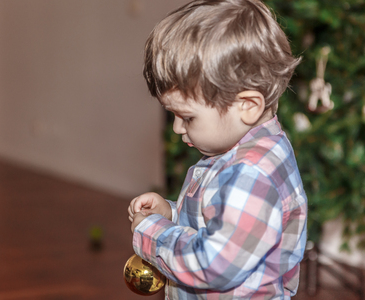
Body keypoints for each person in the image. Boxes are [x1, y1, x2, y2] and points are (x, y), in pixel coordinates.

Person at [128, 0, 308, 299]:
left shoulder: (251, 174)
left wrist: (150, 229)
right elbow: (217, 222)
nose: (177, 128)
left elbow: (213, 265)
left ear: (247, 106)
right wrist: (170, 214)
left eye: (187, 117)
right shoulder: (241, 155)